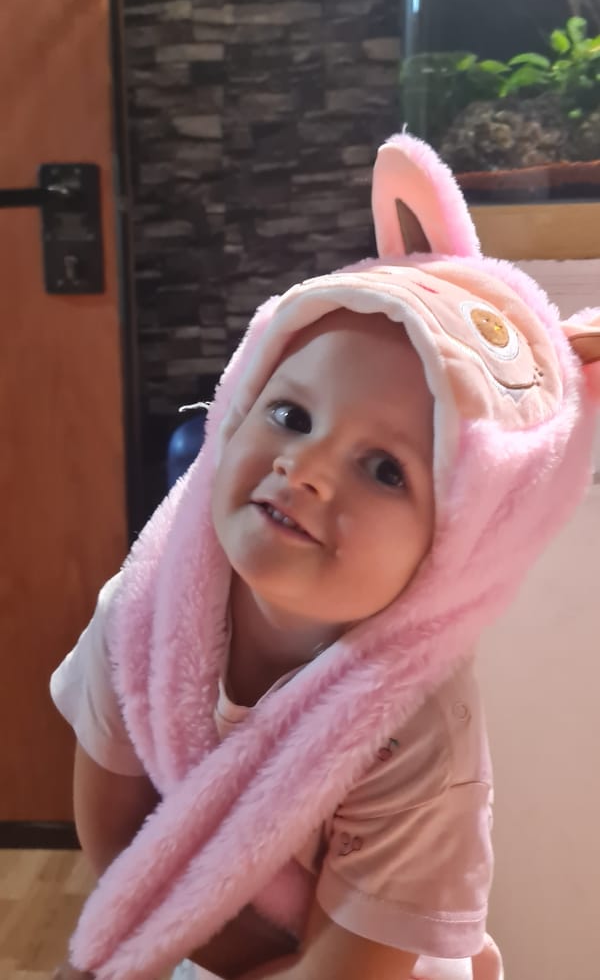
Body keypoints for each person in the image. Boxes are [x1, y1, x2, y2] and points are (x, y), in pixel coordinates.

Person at [51, 134, 600, 980]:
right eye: (291, 416)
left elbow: (358, 962)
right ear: (236, 407)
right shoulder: (143, 611)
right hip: (194, 939)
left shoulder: (415, 727)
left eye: (385, 470)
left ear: (460, 549)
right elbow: (117, 825)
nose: (303, 469)